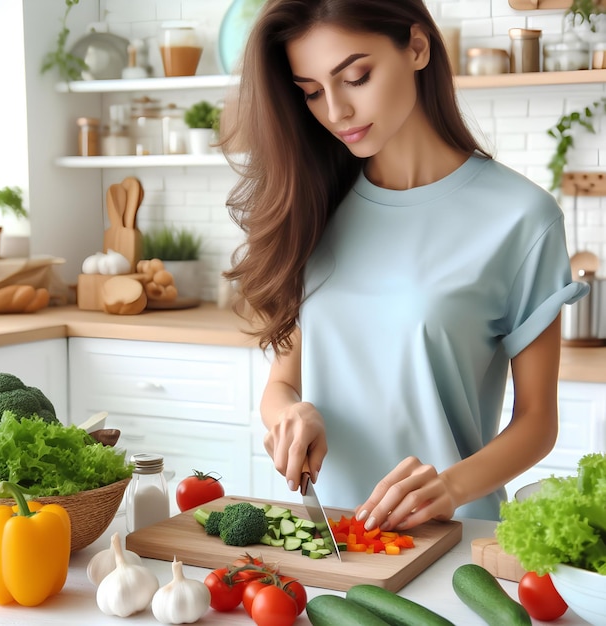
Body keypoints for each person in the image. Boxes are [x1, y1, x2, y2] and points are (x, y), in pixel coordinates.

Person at [220, 0, 588, 529]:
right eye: (312, 93)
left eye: (355, 77)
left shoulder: (522, 217)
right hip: (332, 539)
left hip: (453, 539)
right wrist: (290, 415)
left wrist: (449, 487)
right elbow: (280, 387)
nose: (336, 111)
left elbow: (537, 423)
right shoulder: (314, 209)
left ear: (417, 47)